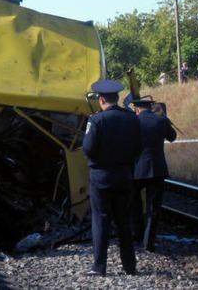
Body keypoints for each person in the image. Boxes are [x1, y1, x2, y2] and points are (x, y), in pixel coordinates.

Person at [82, 79, 140, 276]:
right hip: (124, 175)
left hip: (101, 177)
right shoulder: (132, 118)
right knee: (124, 221)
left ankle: (99, 267)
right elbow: (139, 147)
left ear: (101, 99)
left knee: (100, 220)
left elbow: (88, 149)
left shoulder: (96, 120)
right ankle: (129, 266)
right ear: (117, 98)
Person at [131, 97, 177, 252]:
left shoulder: (133, 121)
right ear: (150, 108)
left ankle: (137, 234)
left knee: (134, 203)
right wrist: (165, 117)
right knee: (154, 207)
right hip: (156, 169)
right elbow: (172, 137)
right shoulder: (161, 120)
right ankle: (148, 243)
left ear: (136, 109)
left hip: (136, 169)